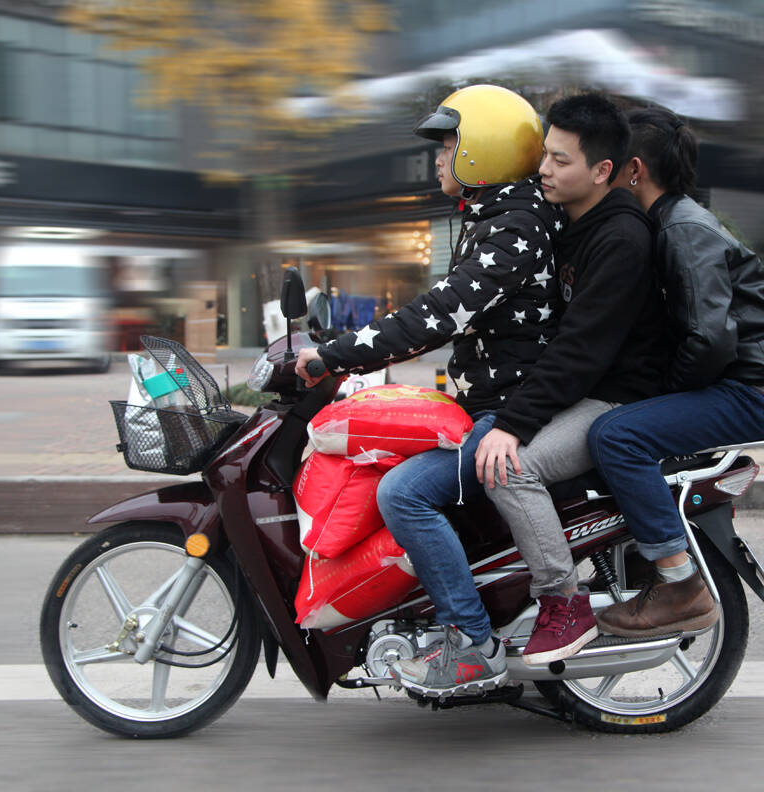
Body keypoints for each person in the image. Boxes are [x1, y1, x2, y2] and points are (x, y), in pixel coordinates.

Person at [296, 84, 565, 695]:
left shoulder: (515, 224)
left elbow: (438, 315)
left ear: (486, 149)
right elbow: (436, 322)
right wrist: (345, 349)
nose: (438, 158)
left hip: (514, 412)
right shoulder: (495, 215)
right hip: (491, 402)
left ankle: (471, 643)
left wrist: (333, 355)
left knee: (404, 493)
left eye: (449, 143)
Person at [477, 92, 665, 665]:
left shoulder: (621, 239)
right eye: (544, 156)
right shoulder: (572, 225)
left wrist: (511, 425)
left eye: (561, 160)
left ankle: (563, 602)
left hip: (616, 400)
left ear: (602, 170)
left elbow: (580, 351)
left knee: (510, 469)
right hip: (585, 390)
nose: (544, 170)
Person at [589, 107, 764, 637]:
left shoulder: (684, 228)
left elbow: (709, 338)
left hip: (749, 389)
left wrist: (662, 396)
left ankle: (681, 584)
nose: (602, 175)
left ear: (634, 170)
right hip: (739, 381)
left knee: (617, 436)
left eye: (609, 165)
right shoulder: (671, 220)